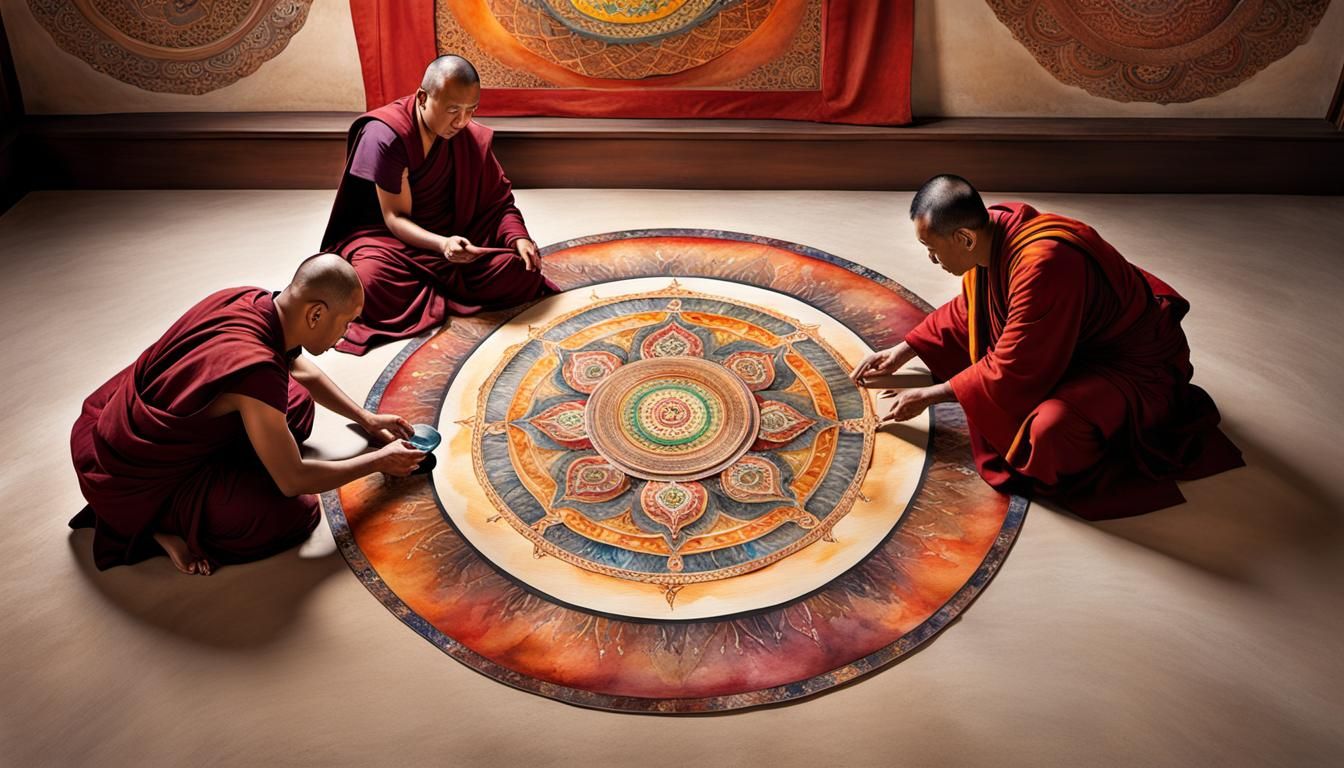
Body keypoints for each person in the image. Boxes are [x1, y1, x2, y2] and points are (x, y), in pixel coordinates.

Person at [853, 175, 1243, 519]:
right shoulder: (996, 229)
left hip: (1128, 366)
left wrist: (929, 395)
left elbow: (1012, 367)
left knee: (1050, 431)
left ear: (965, 238)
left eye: (933, 249)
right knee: (975, 343)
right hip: (1070, 338)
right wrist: (905, 350)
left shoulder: (1044, 263)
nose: (931, 259)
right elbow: (974, 307)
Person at [70, 254, 426, 575]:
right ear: (316, 314)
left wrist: (367, 418)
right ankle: (160, 524)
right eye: (346, 322)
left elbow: (301, 370)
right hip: (129, 476)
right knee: (295, 514)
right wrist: (379, 461)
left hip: (111, 423)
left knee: (296, 403)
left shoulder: (251, 298)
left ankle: (247, 452)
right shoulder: (256, 370)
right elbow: (293, 480)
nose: (346, 333)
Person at [321, 54, 557, 355]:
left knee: (521, 270)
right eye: (452, 110)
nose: (462, 121)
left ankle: (435, 290)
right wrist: (443, 246)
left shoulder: (466, 136)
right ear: (422, 98)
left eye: (471, 110)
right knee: (368, 286)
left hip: (454, 236)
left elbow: (498, 203)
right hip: (392, 243)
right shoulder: (386, 136)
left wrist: (518, 237)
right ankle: (446, 289)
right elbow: (394, 218)